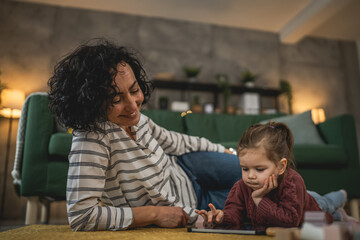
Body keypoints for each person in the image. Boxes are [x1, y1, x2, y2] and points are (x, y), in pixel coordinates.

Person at [48, 39, 240, 231]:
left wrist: (225, 151)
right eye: (116, 99)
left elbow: (177, 142)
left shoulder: (138, 120)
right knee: (260, 198)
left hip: (189, 166)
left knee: (261, 172)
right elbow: (82, 216)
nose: (133, 106)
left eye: (134, 90)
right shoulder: (92, 138)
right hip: (194, 205)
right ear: (91, 100)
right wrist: (155, 214)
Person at [196, 122, 353, 229]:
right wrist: (222, 217)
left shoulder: (293, 182)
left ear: (281, 166)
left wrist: (259, 200)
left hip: (310, 207)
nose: (250, 176)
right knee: (332, 210)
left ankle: (339, 196)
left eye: (259, 169)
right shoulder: (241, 187)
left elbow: (291, 221)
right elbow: (234, 214)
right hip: (300, 198)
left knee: (328, 207)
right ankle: (339, 211)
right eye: (245, 169)